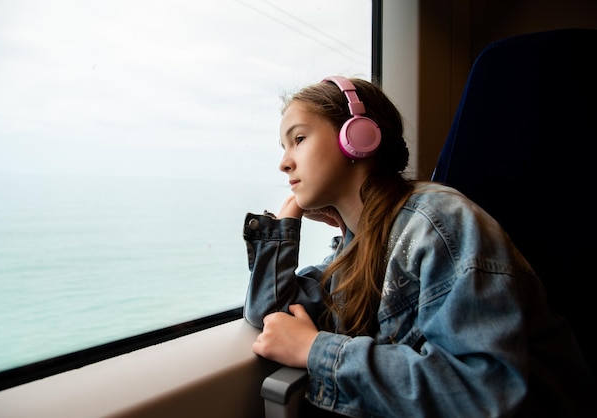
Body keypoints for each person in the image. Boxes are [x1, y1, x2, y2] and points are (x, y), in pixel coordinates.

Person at [242, 75, 595, 417]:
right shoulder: (352, 249)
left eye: (299, 138)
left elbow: (484, 391)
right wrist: (285, 225)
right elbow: (270, 314)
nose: (284, 162)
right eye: (284, 147)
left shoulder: (438, 223)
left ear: (357, 136)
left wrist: (315, 350)